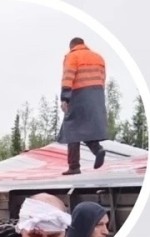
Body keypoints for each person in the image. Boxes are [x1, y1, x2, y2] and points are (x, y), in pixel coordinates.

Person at [57, 37, 108, 175]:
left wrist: (65, 98)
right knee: (84, 127)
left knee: (72, 130)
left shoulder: (72, 56)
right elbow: (103, 78)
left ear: (72, 46)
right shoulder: (98, 57)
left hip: (79, 94)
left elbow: (68, 76)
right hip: (97, 95)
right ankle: (97, 149)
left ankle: (74, 167)